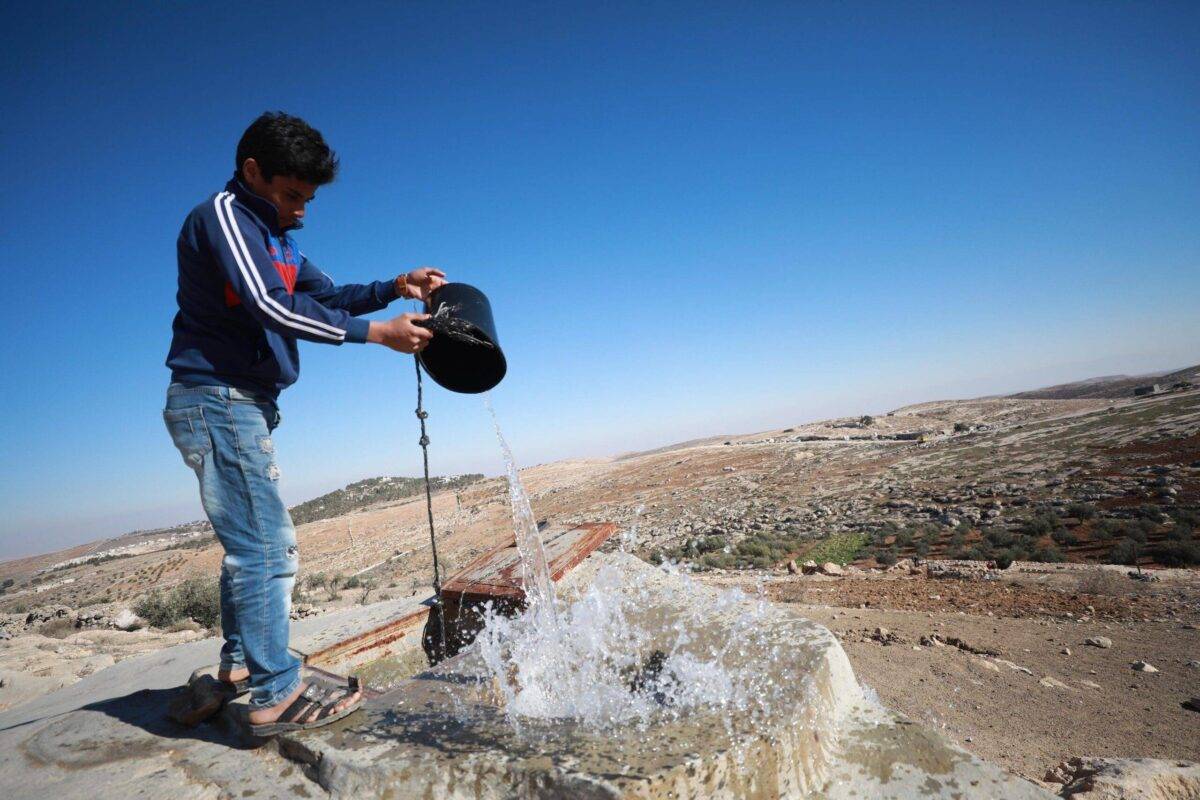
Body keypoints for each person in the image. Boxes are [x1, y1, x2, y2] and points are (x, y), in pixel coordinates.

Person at [163, 111, 446, 734]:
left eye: (308, 200)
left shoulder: (277, 237)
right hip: (217, 397)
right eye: (292, 195)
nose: (301, 210)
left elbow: (324, 296)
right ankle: (276, 694)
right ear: (252, 171)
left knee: (251, 543)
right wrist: (377, 335)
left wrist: (396, 286)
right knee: (267, 546)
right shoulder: (226, 219)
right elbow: (271, 304)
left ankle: (241, 665)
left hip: (241, 401)